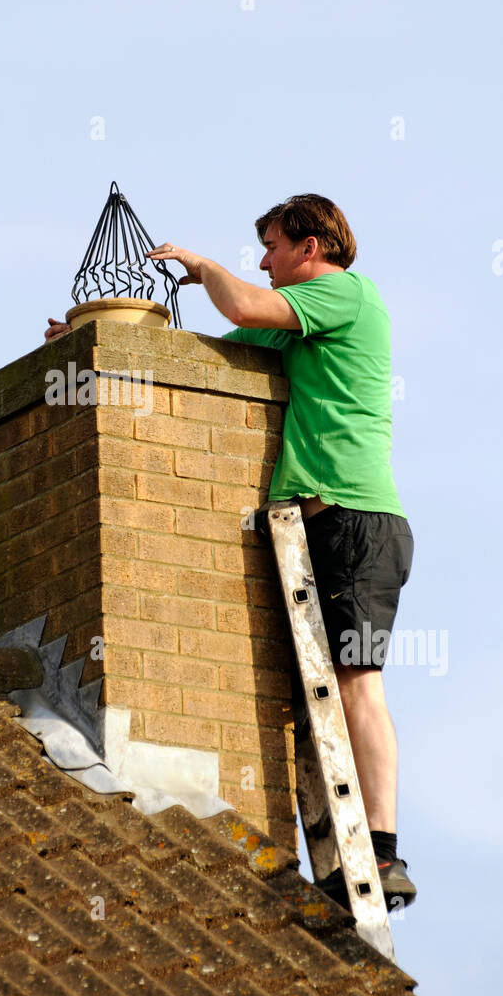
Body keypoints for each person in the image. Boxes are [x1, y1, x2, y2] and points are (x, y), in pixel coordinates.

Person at [44, 193, 415, 911]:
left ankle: (384, 847)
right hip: (314, 525)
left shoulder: (344, 292)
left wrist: (203, 265)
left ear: (311, 247)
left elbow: (241, 308)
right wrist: (92, 342)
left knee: (356, 684)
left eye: (273, 247)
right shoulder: (300, 327)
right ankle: (346, 855)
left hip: (357, 521)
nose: (264, 263)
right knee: (322, 695)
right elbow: (217, 355)